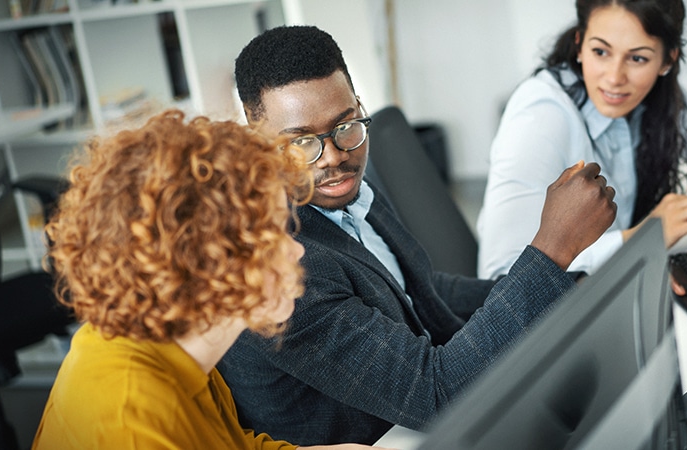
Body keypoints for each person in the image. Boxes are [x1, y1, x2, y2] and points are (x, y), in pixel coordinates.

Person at [217, 25, 617, 446]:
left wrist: (569, 288)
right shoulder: (278, 268)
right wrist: (552, 251)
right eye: (299, 143)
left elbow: (420, 289)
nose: (334, 157)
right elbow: (438, 393)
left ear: (358, 105)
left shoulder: (345, 193)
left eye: (345, 125)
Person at [32, 109, 390, 450]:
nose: (297, 253)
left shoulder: (176, 344)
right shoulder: (129, 421)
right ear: (206, 265)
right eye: (272, 237)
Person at [477, 0, 687, 280]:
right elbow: (500, 276)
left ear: (667, 61)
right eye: (601, 52)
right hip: (541, 321)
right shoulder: (540, 115)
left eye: (637, 58)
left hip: (613, 289)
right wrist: (645, 238)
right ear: (580, 44)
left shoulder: (661, 98)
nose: (614, 77)